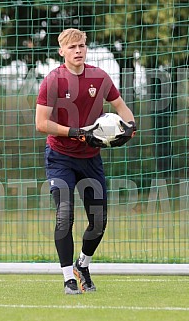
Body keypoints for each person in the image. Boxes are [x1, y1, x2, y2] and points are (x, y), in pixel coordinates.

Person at [35, 28, 136, 294]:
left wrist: (130, 126)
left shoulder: (100, 77)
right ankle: (68, 277)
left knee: (99, 220)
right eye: (72, 47)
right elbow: (41, 123)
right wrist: (75, 132)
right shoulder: (53, 81)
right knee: (65, 214)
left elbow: (121, 108)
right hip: (60, 158)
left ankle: (83, 264)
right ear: (62, 52)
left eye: (81, 46)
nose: (78, 50)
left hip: (91, 159)